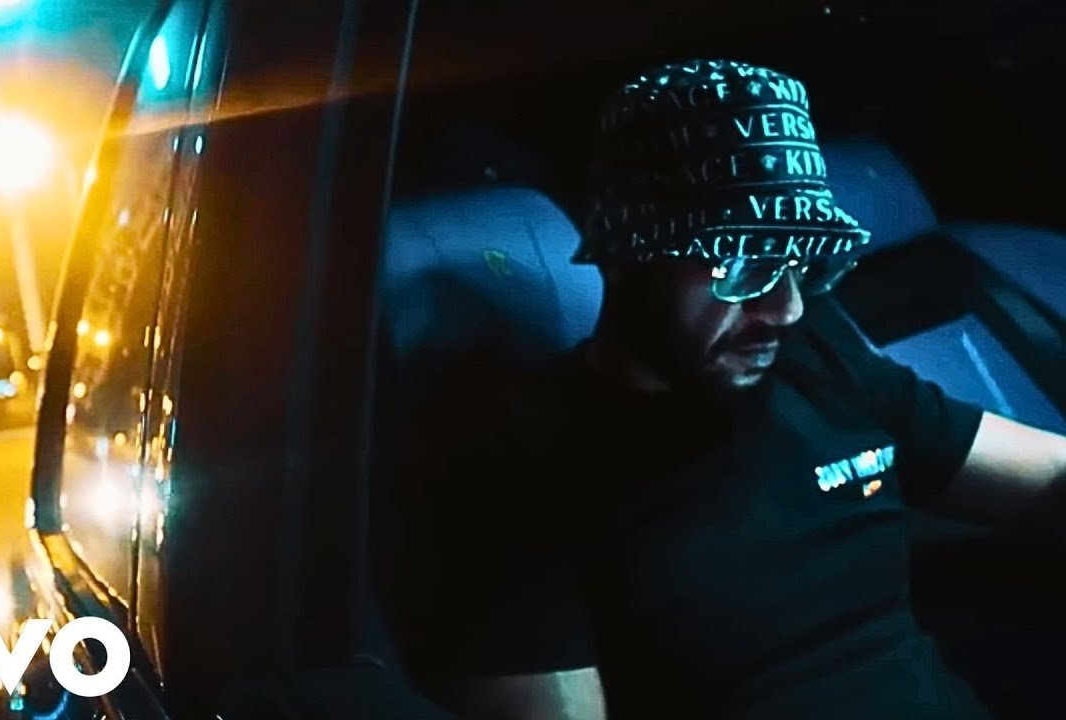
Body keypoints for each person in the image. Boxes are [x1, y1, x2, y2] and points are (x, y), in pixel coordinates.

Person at [396, 59, 1066, 719]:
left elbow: (1042, 477)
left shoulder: (815, 356)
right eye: (743, 265)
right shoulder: (514, 480)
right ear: (629, 253)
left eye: (800, 262)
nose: (787, 307)